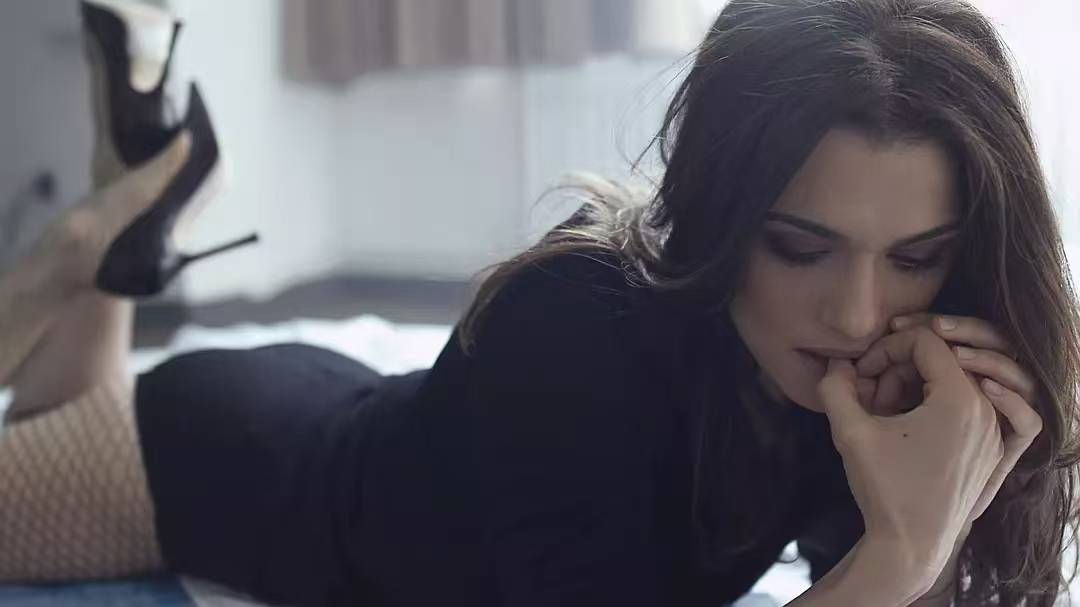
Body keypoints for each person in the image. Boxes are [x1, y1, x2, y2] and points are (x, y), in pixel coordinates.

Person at [0, 0, 1076, 605]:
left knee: (52, 406)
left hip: (366, 417)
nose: (856, 313)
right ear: (720, 211)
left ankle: (118, 229)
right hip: (229, 469)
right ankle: (69, 257)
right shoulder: (570, 325)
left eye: (917, 257)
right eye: (799, 245)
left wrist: (937, 513)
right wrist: (899, 555)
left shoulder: (872, 376)